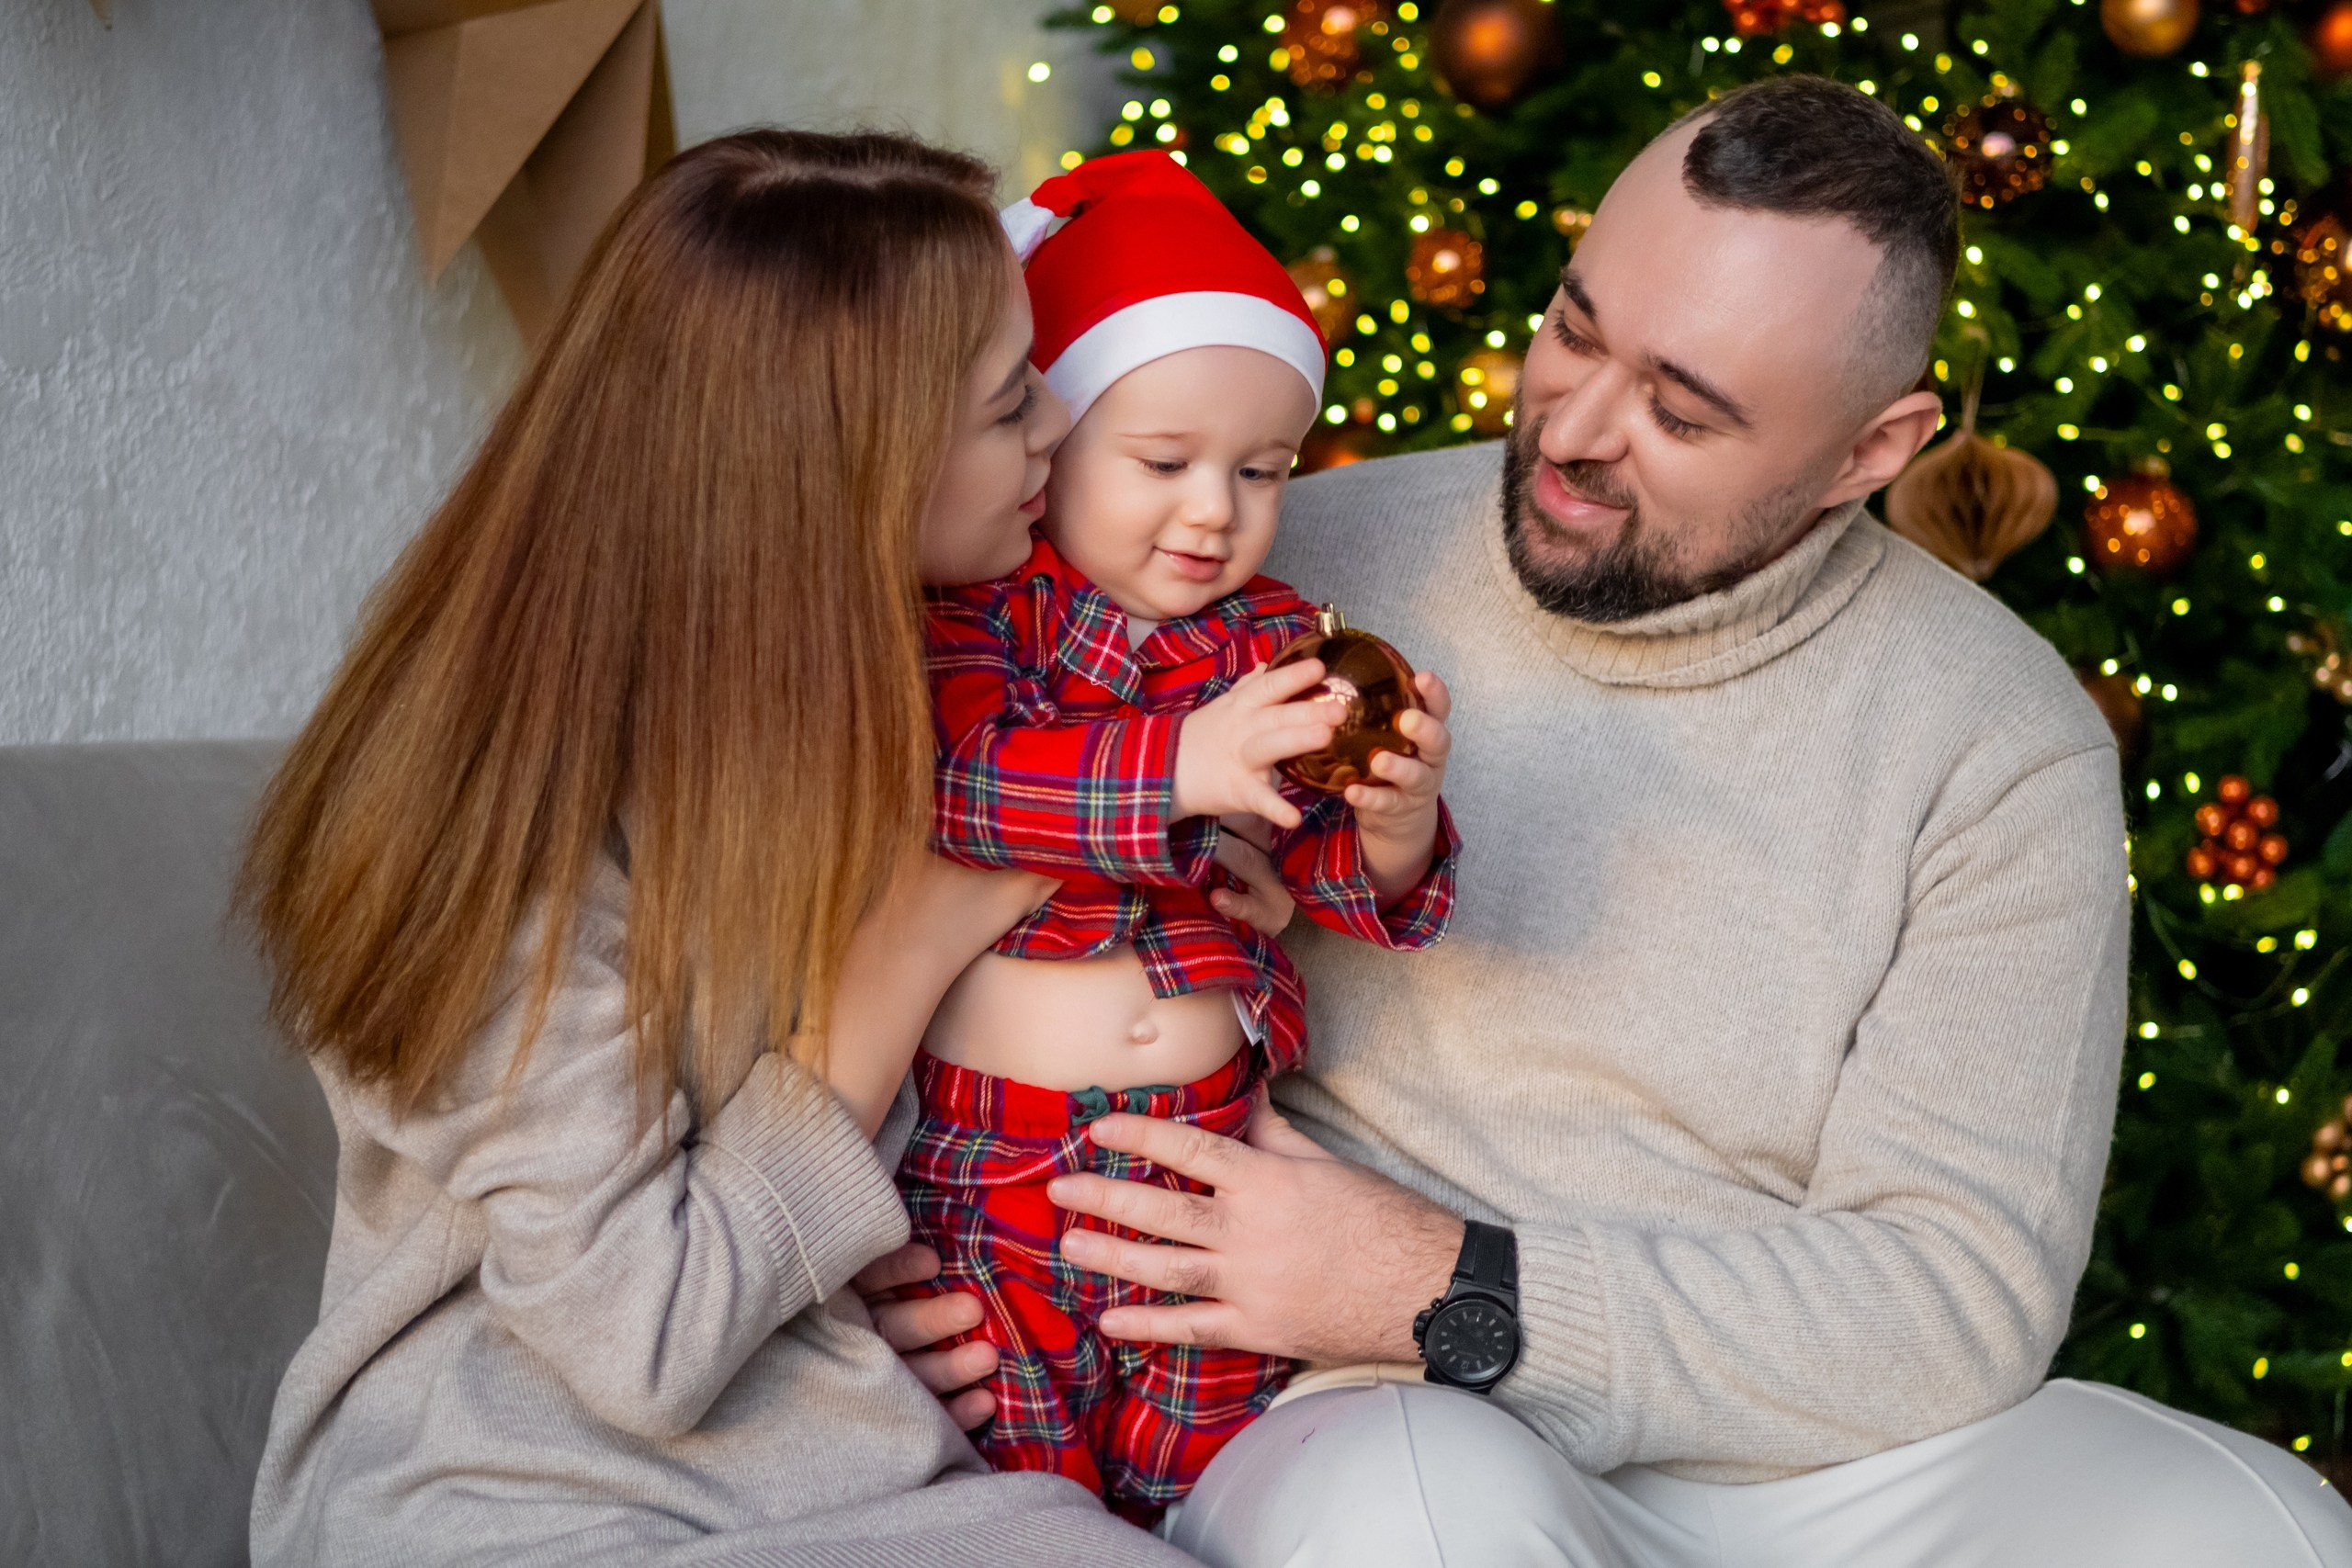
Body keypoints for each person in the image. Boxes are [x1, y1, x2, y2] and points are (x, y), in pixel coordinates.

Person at [876, 77, 2352, 1564]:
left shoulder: (2000, 737)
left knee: (2255, 1530)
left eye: (1681, 409)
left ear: (1872, 451)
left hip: (1792, 1446)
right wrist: (874, 1253)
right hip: (1371, 1405)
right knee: (1425, 1521)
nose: (1573, 431)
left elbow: (1955, 1298)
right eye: (1574, 330)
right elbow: (941, 856)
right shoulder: (1274, 558)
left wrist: (1455, 1285)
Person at [238, 130, 1229, 1568]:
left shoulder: (911, 683)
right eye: (1012, 402)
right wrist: (901, 959)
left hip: (846, 1454)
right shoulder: (492, 829)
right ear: (846, 465)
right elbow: (641, 1333)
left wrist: (874, 1264)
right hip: (526, 1500)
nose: (1056, 438)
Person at [894, 150, 1458, 1522]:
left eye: (1263, 469)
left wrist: (1387, 825)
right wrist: (1186, 763)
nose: (1217, 510)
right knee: (1014, 1481)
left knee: (1196, 1480)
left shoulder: (1275, 638)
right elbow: (966, 790)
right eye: (1163, 461)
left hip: (1208, 1155)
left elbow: (1318, 873)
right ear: (1044, 447)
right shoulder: (980, 617)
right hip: (994, 1171)